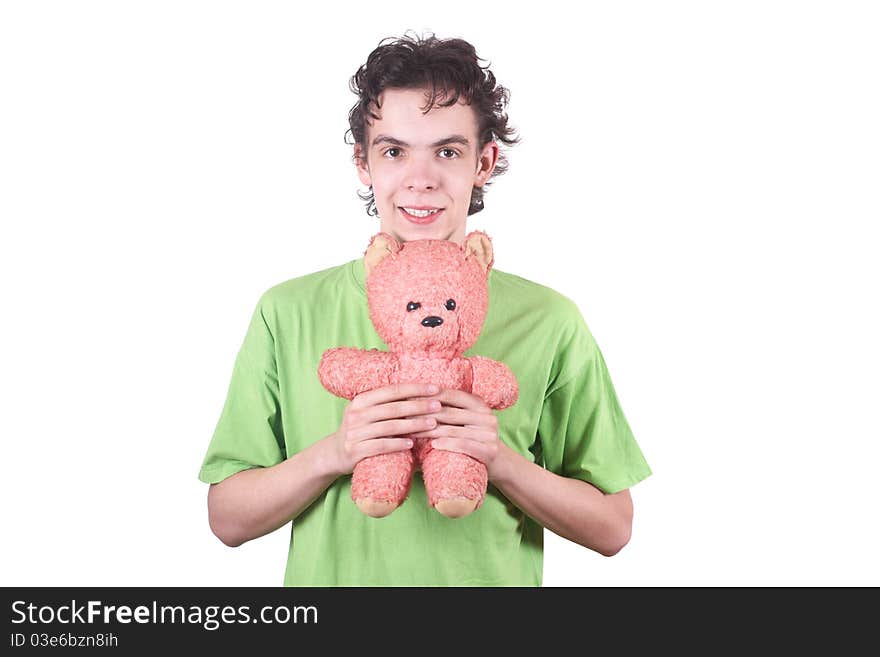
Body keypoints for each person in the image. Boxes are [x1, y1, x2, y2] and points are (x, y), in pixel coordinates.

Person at [198, 31, 652, 586]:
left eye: (447, 151)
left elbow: (612, 528)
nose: (421, 179)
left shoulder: (550, 319)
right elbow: (227, 518)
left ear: (483, 162)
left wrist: (503, 462)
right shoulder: (287, 311)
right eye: (393, 151)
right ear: (363, 163)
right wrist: (335, 453)